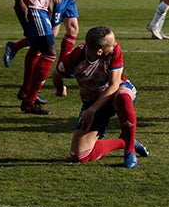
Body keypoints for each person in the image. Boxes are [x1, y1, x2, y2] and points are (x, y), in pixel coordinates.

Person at [57, 26, 149, 168]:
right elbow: (57, 73)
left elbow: (113, 85)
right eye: (111, 44)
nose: (116, 45)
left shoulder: (115, 51)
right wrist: (59, 88)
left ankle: (129, 151)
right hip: (92, 101)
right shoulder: (75, 58)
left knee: (123, 97)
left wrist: (92, 111)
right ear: (99, 51)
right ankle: (124, 140)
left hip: (116, 91)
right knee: (79, 155)